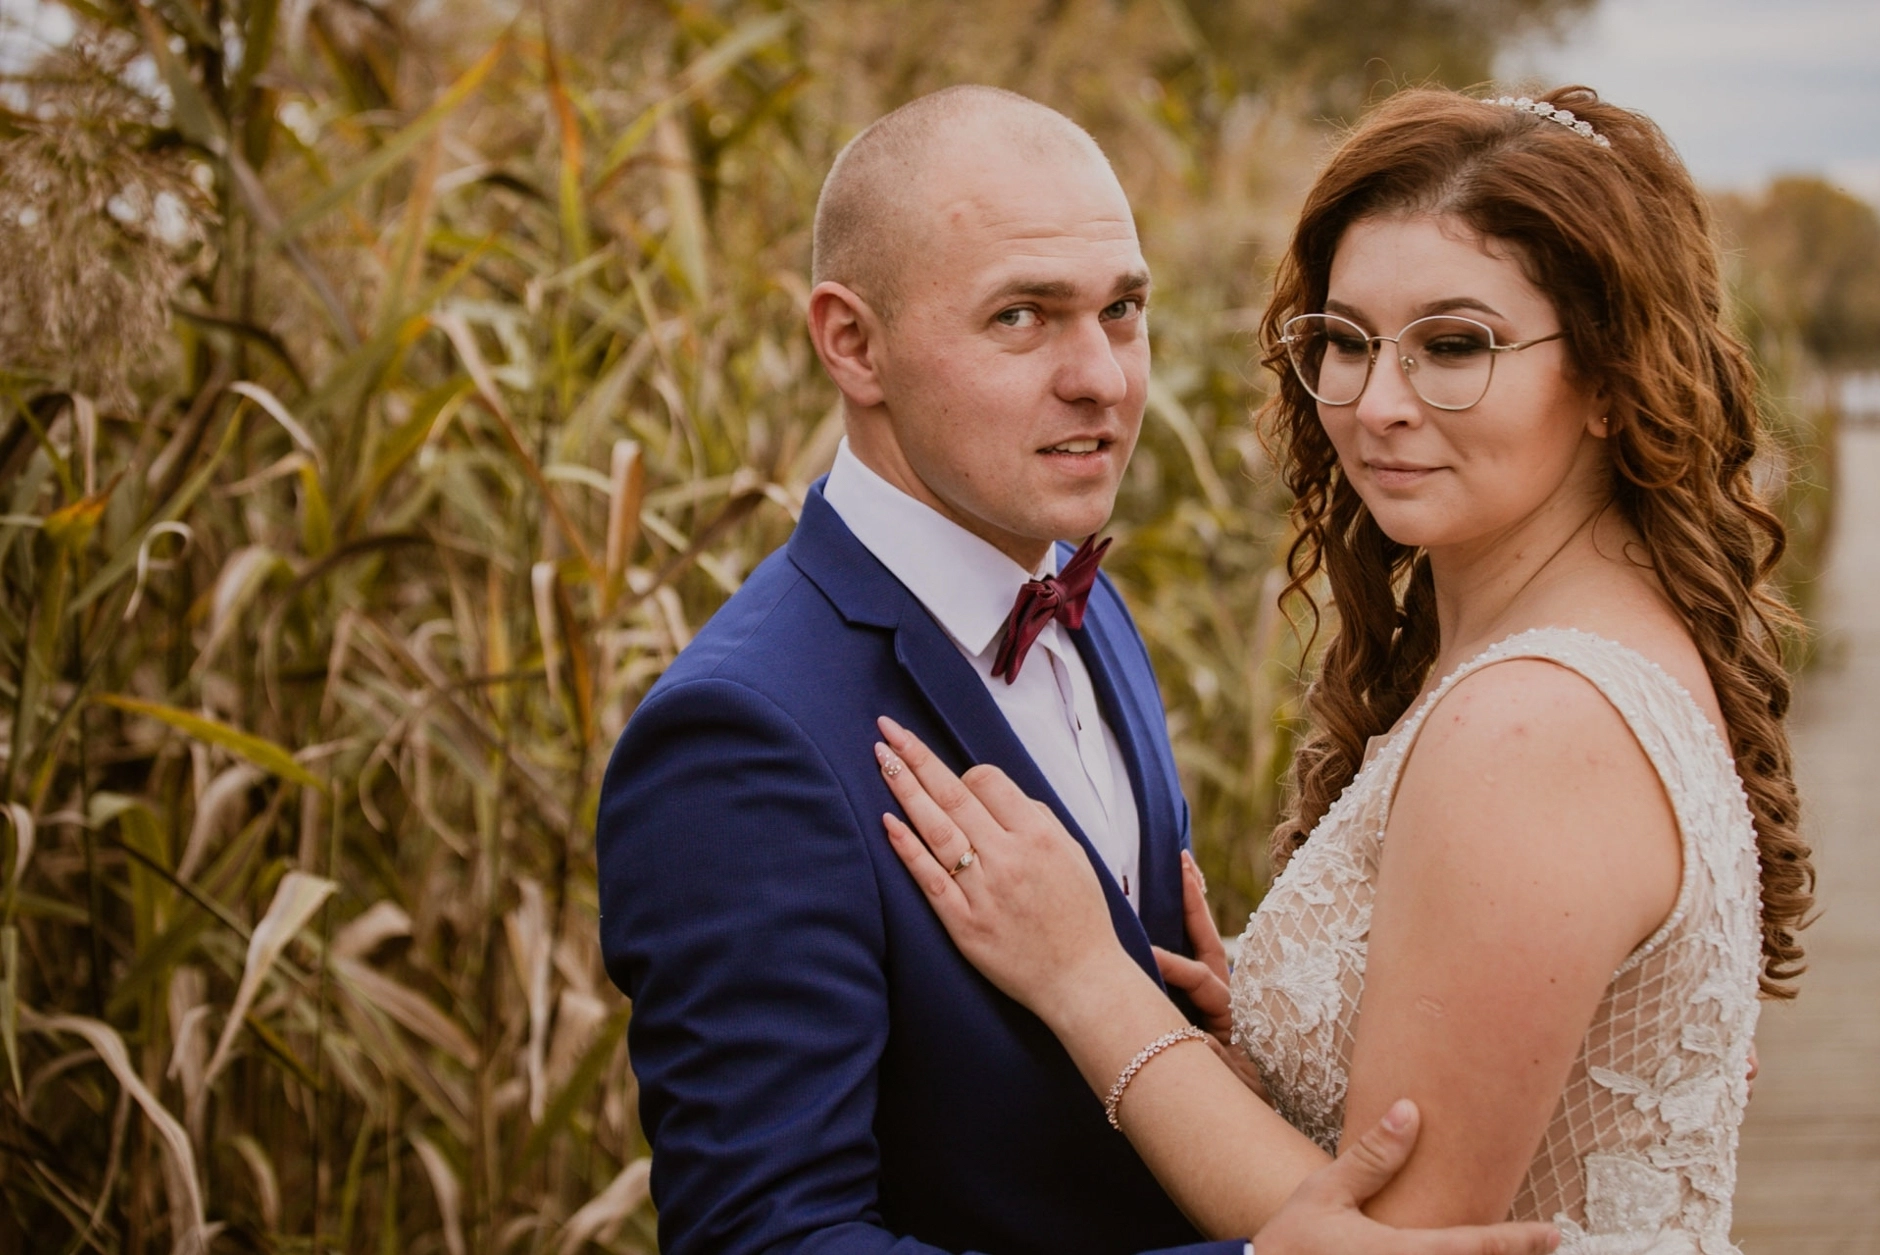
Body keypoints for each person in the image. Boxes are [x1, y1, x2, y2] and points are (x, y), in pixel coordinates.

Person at [597, 85, 1559, 1255]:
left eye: (1121, 309)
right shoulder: (741, 737)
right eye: (1022, 317)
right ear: (852, 343)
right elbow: (768, 1241)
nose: (1101, 377)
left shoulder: (1083, 601)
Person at [871, 84, 1814, 1252]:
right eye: (1346, 341)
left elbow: (1383, 1242)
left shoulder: (1531, 726)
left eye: (1453, 346)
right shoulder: (1588, 640)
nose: (1376, 404)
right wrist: (1271, 1055)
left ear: (1613, 380)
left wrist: (1083, 980)